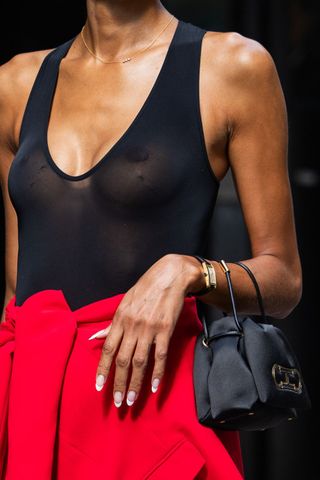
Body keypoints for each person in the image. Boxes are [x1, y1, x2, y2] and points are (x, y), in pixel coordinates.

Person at [0, 0, 302, 479]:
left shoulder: (231, 66)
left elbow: (284, 277)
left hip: (152, 404)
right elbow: (17, 294)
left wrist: (188, 271)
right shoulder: (15, 82)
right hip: (34, 412)